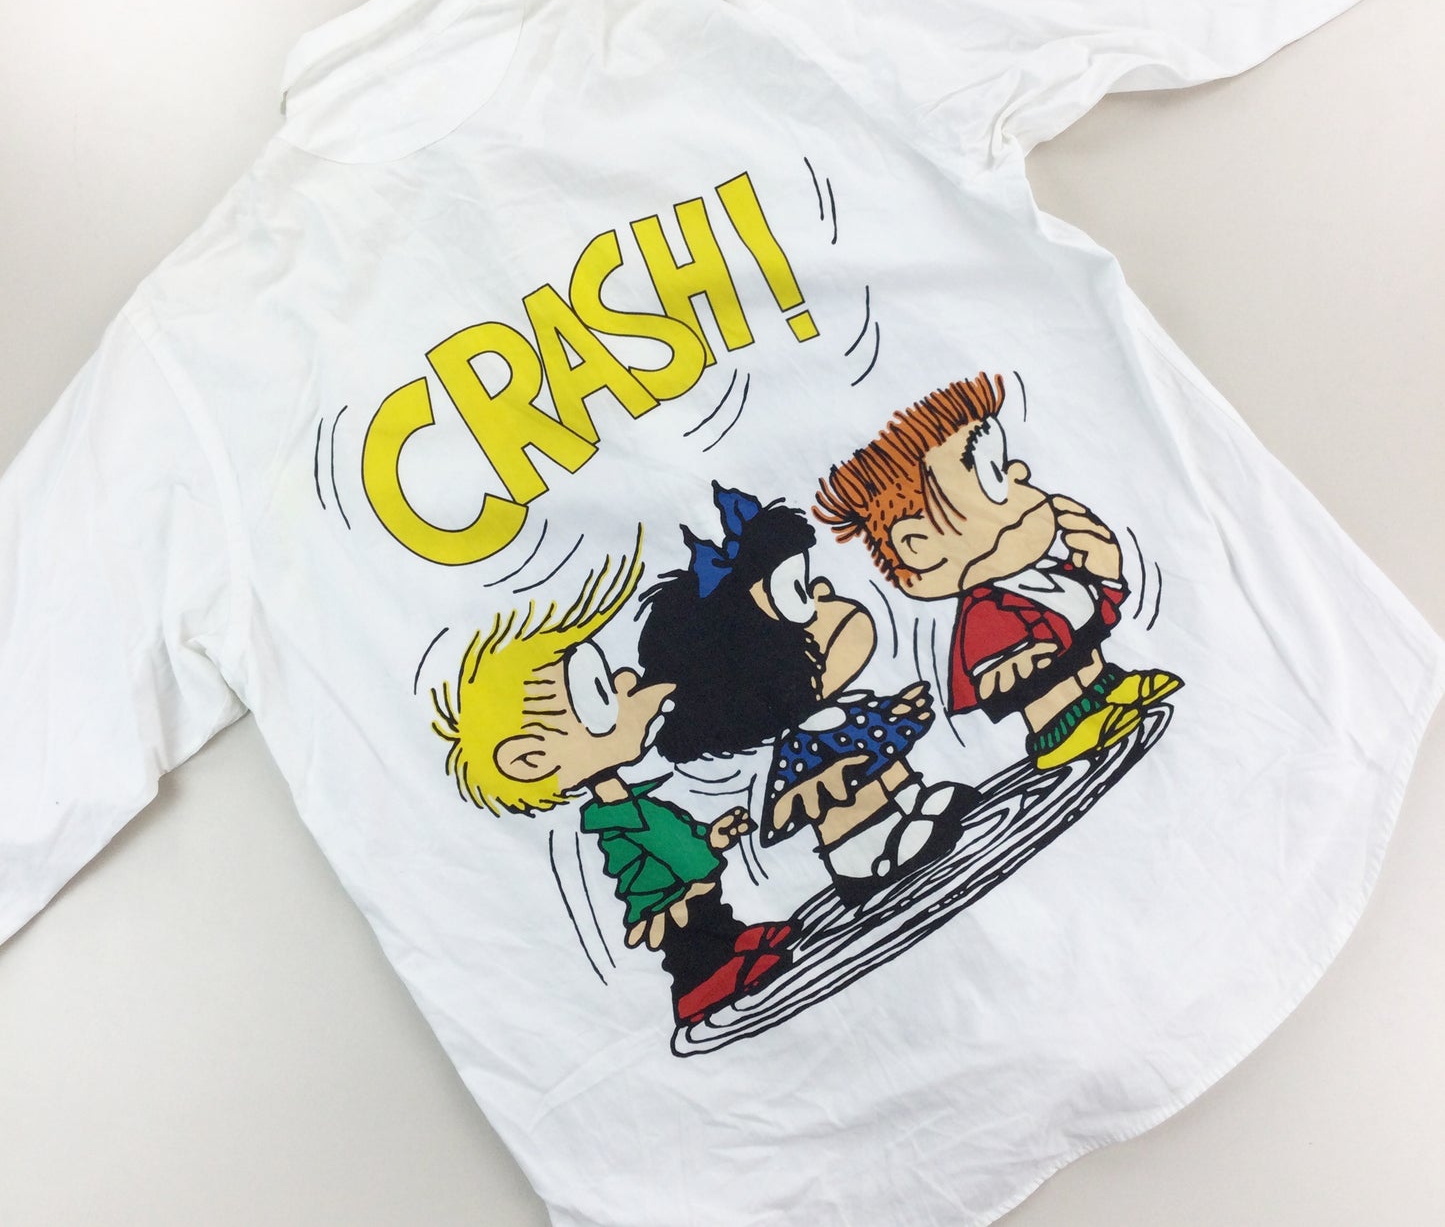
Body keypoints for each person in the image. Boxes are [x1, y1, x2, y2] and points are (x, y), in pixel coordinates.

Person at [431, 543, 792, 1024]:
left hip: (687, 887)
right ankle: (701, 985)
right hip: (668, 902)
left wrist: (711, 835)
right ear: (532, 759)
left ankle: (734, 941)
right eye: (596, 692)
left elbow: (674, 837)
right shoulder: (618, 819)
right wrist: (699, 857)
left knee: (709, 916)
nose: (625, 679)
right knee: (689, 940)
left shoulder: (633, 804)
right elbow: (659, 854)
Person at [815, 373, 1182, 770]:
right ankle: (1064, 736)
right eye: (994, 471)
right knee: (1052, 695)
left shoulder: (1045, 572)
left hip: (1097, 673)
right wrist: (1008, 666)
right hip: (1053, 705)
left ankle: (1112, 690)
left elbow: (1093, 610)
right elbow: (991, 670)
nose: (1020, 472)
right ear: (918, 544)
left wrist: (1103, 573)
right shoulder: (986, 610)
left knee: (1089, 666)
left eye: (1006, 463)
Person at [637, 484, 978, 906]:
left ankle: (914, 801)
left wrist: (896, 712)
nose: (822, 593)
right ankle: (861, 860)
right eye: (798, 590)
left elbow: (878, 742)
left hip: (895, 798)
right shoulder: (802, 746)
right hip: (860, 841)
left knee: (879, 757)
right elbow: (799, 798)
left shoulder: (835, 712)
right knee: (845, 793)